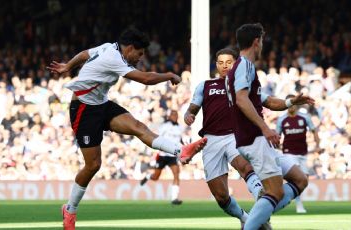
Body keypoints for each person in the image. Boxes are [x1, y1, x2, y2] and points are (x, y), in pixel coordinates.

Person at [47, 28, 207, 230]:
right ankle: (70, 209)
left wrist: (68, 66)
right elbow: (146, 79)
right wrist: (169, 75)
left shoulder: (107, 47)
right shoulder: (115, 58)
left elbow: (86, 53)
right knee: (93, 165)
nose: (140, 58)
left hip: (102, 104)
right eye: (139, 54)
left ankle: (181, 151)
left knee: (139, 127)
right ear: (130, 48)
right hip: (83, 110)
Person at [226, 23, 314, 229]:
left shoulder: (243, 69)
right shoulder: (244, 66)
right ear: (257, 41)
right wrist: (265, 128)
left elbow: (267, 101)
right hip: (253, 138)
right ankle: (253, 221)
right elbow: (241, 99)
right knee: (275, 192)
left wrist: (292, 102)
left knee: (300, 180)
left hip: (255, 139)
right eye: (262, 40)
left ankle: (259, 213)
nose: (263, 44)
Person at [184, 48, 263, 227]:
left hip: (234, 135)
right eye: (221, 62)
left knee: (243, 165)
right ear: (216, 65)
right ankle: (245, 218)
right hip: (210, 141)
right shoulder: (205, 86)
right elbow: (191, 109)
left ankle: (262, 199)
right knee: (221, 196)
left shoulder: (243, 86)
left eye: (229, 62)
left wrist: (288, 103)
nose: (224, 66)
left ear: (235, 64)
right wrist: (189, 116)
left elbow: (266, 100)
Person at [276, 94, 320, 213]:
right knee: (298, 179)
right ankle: (299, 205)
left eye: (294, 104)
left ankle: (285, 197)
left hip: (302, 153)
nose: (291, 107)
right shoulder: (282, 119)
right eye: (289, 104)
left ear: (296, 104)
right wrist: (277, 146)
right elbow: (277, 136)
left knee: (304, 179)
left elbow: (314, 131)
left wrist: (318, 145)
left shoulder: (304, 117)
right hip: (289, 153)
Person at [140, 110, 184, 205]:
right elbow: (158, 137)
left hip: (173, 155)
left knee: (176, 175)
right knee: (156, 177)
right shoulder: (164, 126)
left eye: (176, 114)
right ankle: (148, 176)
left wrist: (184, 149)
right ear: (169, 116)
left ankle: (174, 198)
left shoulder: (180, 127)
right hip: (163, 155)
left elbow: (180, 140)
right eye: (173, 114)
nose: (175, 116)